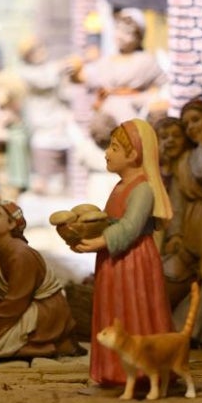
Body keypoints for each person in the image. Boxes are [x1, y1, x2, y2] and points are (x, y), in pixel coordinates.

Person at [72, 118, 174, 387]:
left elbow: (130, 228)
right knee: (114, 310)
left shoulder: (142, 189)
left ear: (133, 154)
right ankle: (113, 370)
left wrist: (98, 242)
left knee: (133, 312)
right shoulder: (119, 187)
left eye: (115, 148)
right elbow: (111, 221)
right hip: (115, 260)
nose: (107, 152)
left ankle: (139, 371)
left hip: (134, 261)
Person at [0, 200, 76, 359]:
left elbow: (17, 299)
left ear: (11, 224)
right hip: (23, 304)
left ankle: (44, 346)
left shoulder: (21, 255)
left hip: (44, 311)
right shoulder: (1, 253)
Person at [163, 97, 202, 347]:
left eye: (197, 120)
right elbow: (177, 203)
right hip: (194, 228)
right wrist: (175, 234)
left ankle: (196, 332)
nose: (192, 128)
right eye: (187, 124)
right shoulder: (187, 159)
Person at [68, 9, 167, 127]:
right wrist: (74, 70)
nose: (120, 36)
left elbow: (162, 86)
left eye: (127, 32)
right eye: (118, 29)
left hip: (131, 118)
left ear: (139, 36)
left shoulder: (146, 60)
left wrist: (143, 99)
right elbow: (85, 77)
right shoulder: (107, 61)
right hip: (107, 118)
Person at [15, 35, 75, 194]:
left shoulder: (51, 68)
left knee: (65, 181)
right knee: (44, 181)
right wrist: (61, 67)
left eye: (40, 48)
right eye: (33, 51)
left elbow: (65, 93)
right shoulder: (27, 72)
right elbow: (45, 79)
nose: (39, 52)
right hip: (43, 130)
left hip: (61, 128)